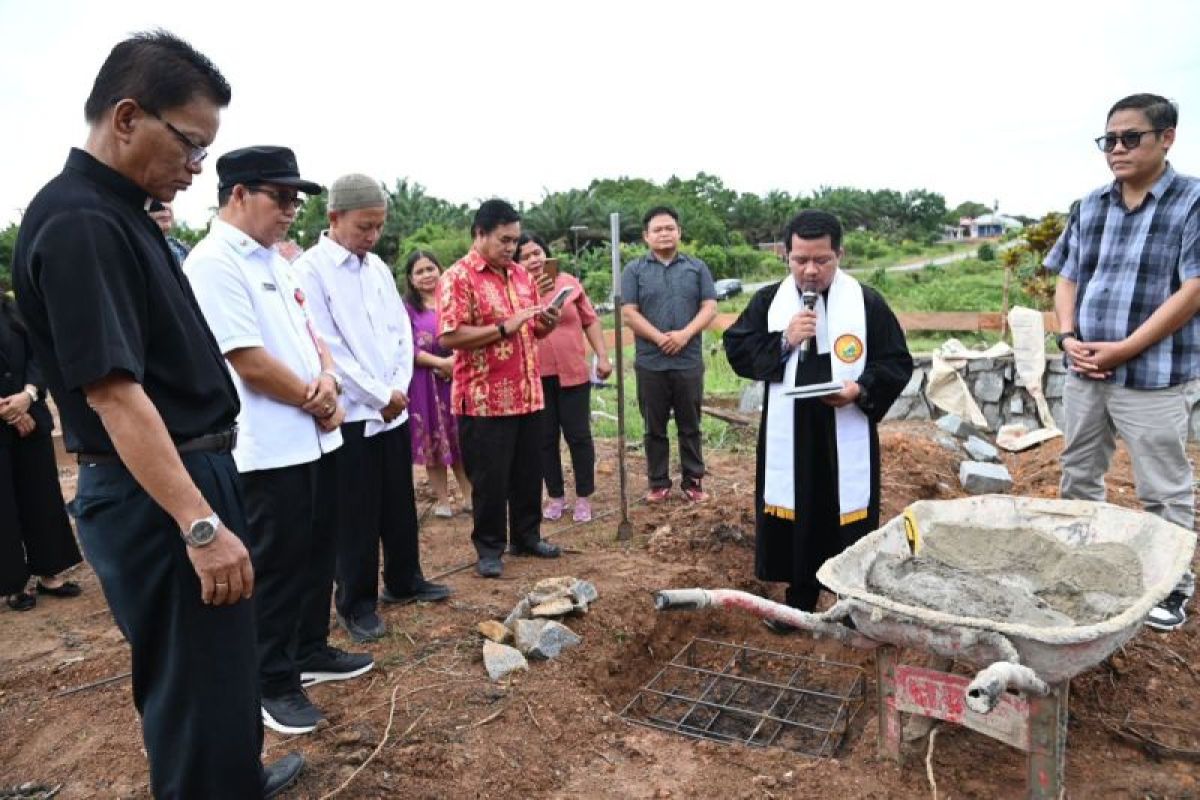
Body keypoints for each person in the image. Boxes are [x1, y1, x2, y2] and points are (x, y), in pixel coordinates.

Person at [13, 31, 303, 797]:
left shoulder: (121, 213)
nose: (198, 166)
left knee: (220, 667)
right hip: (157, 491)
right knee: (192, 683)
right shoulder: (80, 223)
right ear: (128, 117)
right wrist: (198, 525)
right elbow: (114, 393)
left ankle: (233, 778)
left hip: (185, 472)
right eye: (191, 143)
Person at [186, 147, 374, 736]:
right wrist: (316, 400)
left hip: (315, 438)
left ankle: (309, 649)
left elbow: (313, 339)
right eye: (282, 197)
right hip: (268, 447)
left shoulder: (278, 261)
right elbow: (246, 358)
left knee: (317, 553)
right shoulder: (215, 262)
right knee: (277, 565)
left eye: (297, 200)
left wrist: (329, 381)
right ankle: (271, 681)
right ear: (239, 194)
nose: (292, 210)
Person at [1045, 93, 1200, 632]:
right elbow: (1067, 277)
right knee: (1079, 472)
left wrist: (1126, 347)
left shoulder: (1191, 202)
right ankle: (1081, 566)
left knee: (1163, 487)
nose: (1117, 149)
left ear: (1167, 138)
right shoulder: (1090, 205)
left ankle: (1172, 586)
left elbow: (1194, 290)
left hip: (1153, 378)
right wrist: (1068, 336)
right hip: (1086, 370)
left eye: (1130, 138)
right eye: (1109, 139)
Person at [724, 210, 913, 630]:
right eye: (800, 260)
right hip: (790, 432)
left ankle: (853, 605)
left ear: (839, 254)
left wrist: (859, 389)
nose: (810, 270)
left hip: (845, 425)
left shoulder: (866, 303)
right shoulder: (768, 302)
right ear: (786, 256)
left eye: (822, 260)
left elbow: (896, 362)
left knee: (848, 514)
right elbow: (737, 349)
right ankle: (799, 601)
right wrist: (784, 340)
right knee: (799, 513)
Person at [295, 175, 452, 644]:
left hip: (392, 407)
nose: (373, 236)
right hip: (352, 413)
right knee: (355, 513)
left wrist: (397, 389)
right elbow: (325, 345)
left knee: (398, 501)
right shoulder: (310, 270)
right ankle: (356, 603)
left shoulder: (378, 268)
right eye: (365, 227)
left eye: (379, 227)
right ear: (334, 217)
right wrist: (378, 395)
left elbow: (400, 333)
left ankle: (404, 579)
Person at [438, 199, 562, 578]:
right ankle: (489, 549)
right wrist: (504, 327)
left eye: (515, 240)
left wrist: (548, 321)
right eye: (504, 240)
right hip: (484, 400)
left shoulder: (521, 276)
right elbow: (450, 336)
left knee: (528, 472)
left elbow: (532, 329)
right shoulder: (458, 277)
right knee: (490, 480)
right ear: (480, 233)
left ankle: (527, 536)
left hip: (527, 393)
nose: (511, 247)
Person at [621, 206, 718, 503]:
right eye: (657, 229)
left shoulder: (697, 268)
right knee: (654, 426)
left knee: (690, 424)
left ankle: (693, 480)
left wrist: (685, 334)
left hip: (688, 360)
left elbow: (709, 307)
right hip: (651, 362)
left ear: (679, 232)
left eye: (669, 228)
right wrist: (659, 338)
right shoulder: (634, 270)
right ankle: (658, 482)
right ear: (646, 236)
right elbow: (628, 313)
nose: (664, 233)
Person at [516, 233, 612, 522]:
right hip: (536, 375)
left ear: (546, 254)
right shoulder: (515, 290)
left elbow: (590, 320)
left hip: (573, 373)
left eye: (537, 253)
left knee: (578, 436)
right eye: (525, 256)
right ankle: (556, 496)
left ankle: (584, 497)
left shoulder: (568, 283)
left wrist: (602, 356)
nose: (533, 260)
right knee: (545, 439)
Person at [0, 294, 83, 612]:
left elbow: (41, 355)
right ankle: (12, 584)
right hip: (9, 417)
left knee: (42, 495)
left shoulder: (15, 309)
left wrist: (28, 395)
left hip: (31, 415)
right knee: (3, 506)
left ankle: (50, 572)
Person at [402, 250, 472, 517]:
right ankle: (443, 501)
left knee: (460, 440)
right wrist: (441, 363)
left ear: (440, 270)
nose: (426, 275)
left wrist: (456, 362)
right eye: (419, 272)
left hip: (458, 379)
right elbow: (404, 347)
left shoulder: (454, 300)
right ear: (411, 279)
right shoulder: (406, 310)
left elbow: (469, 332)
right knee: (433, 440)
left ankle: (469, 496)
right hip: (425, 383)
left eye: (430, 268)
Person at [147, 199, 190, 265]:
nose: (165, 206)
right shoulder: (133, 251)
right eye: (156, 199)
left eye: (168, 200)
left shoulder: (182, 249)